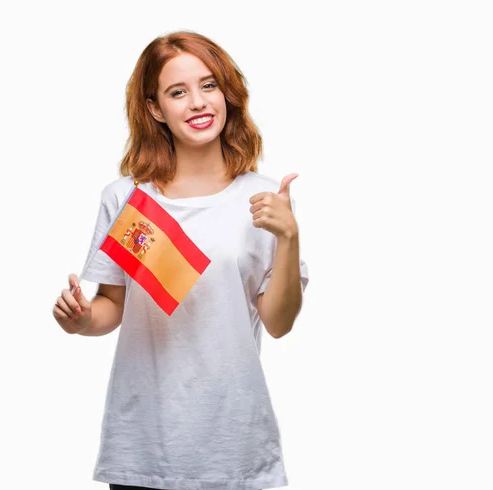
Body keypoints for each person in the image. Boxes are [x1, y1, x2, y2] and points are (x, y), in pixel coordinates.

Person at [52, 30, 309, 490]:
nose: (198, 102)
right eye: (178, 91)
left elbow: (279, 322)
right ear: (155, 109)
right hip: (143, 445)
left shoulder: (263, 199)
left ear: (227, 93)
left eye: (209, 85)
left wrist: (288, 237)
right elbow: (112, 305)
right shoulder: (128, 199)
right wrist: (82, 318)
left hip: (236, 446)